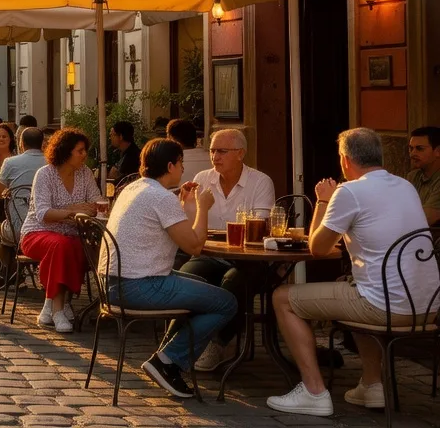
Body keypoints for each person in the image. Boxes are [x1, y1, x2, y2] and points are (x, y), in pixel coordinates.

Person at [267, 128, 440, 417]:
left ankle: (313, 391)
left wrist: (323, 200)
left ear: (345, 160)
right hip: (428, 307)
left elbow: (318, 248)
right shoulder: (405, 186)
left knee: (282, 297)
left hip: (385, 306)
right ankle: (372, 386)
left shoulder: (349, 191)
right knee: (352, 285)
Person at [99, 138, 235, 397]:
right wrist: (203, 208)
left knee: (205, 288)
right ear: (171, 165)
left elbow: (173, 230)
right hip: (137, 286)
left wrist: (185, 205)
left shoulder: (133, 188)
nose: (183, 169)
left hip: (112, 283)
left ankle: (169, 354)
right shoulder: (160, 197)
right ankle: (168, 360)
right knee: (226, 302)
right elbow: (194, 246)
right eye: (181, 163)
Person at [175, 127, 276, 370]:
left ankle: (217, 342)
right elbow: (192, 224)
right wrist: (187, 204)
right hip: (210, 254)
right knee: (188, 276)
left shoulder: (260, 181)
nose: (215, 156)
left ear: (240, 153)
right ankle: (183, 340)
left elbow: (260, 227)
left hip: (249, 259)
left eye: (222, 151)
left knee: (233, 283)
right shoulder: (202, 179)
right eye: (212, 151)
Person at [20, 128, 103, 333]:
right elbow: (43, 213)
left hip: (73, 234)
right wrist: (73, 210)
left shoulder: (85, 174)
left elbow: (96, 203)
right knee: (62, 246)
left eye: (85, 150)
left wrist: (73, 211)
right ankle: (59, 309)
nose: (84, 155)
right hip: (37, 232)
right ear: (66, 152)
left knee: (80, 249)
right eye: (80, 151)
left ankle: (50, 302)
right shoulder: (45, 174)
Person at [0, 127, 46, 283]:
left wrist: (11, 191)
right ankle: (14, 270)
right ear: (43, 144)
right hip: (47, 227)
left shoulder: (11, 162)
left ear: (21, 143)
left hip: (19, 230)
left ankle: (10, 268)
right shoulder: (51, 162)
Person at [405, 126, 440, 224]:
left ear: (438, 151)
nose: (412, 154)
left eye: (419, 149)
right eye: (410, 149)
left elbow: (427, 218)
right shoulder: (413, 176)